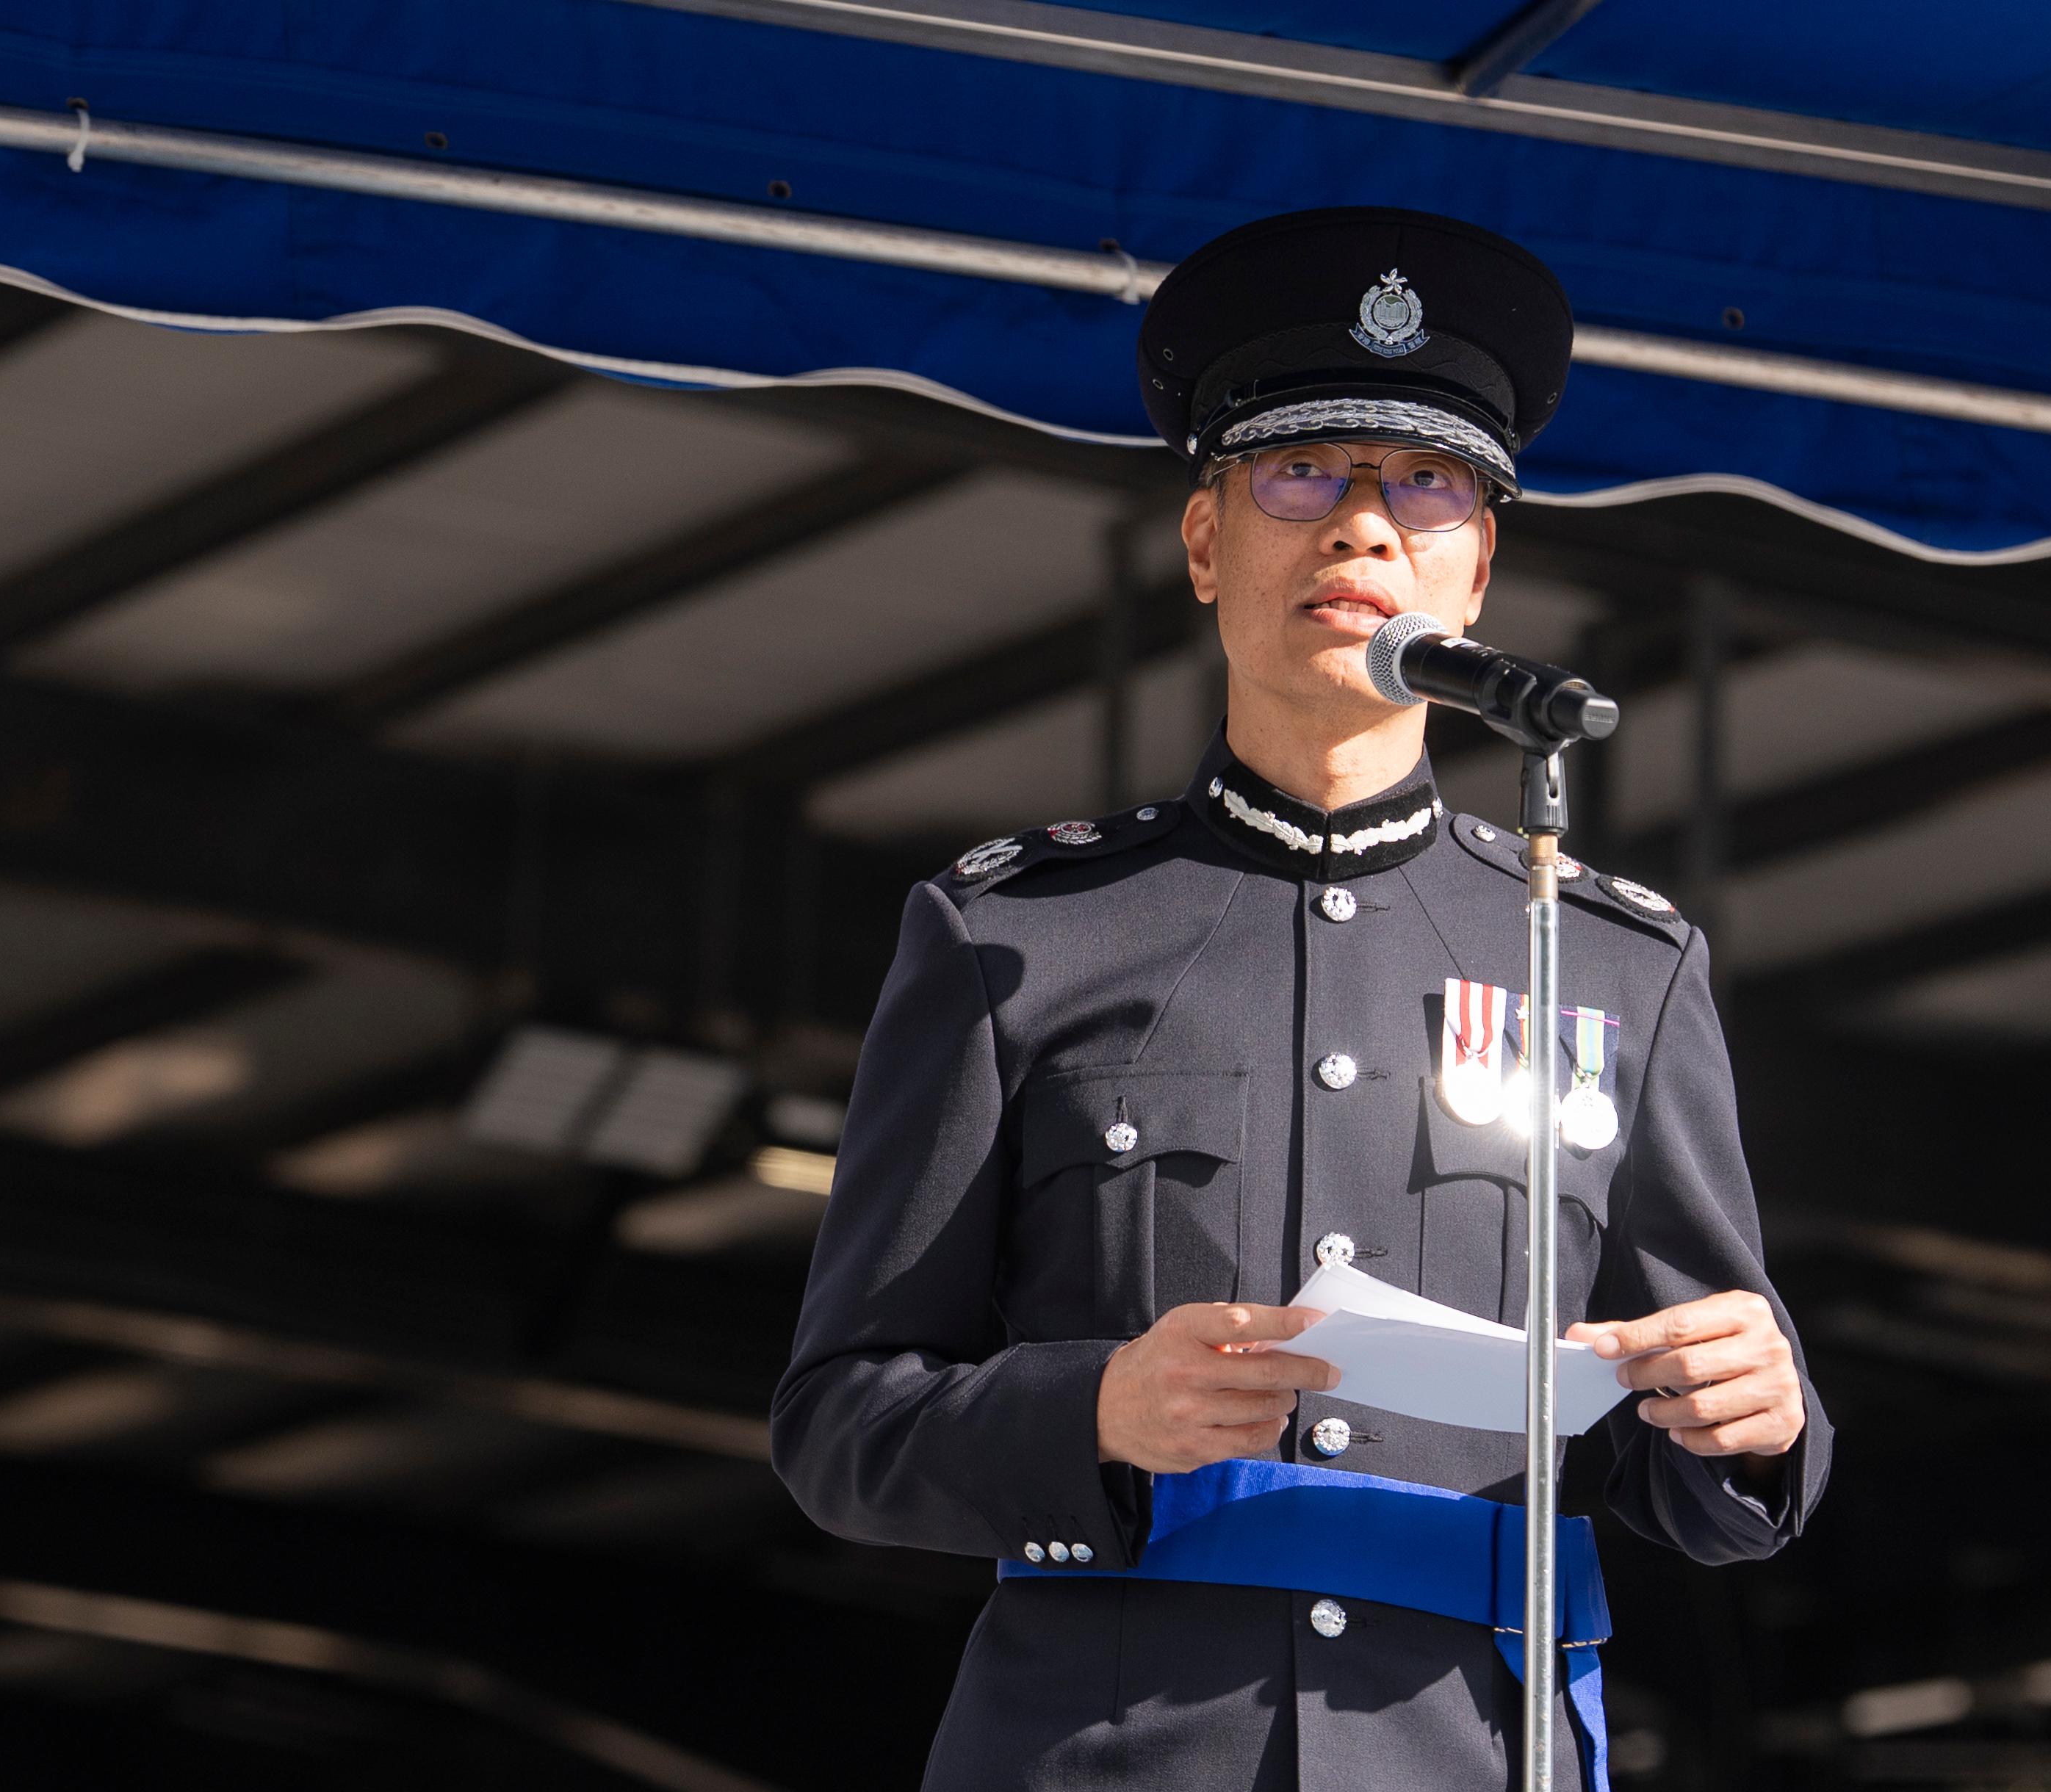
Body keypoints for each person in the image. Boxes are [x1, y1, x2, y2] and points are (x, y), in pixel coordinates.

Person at [771, 207, 1828, 1792]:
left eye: (1427, 484)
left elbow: (1700, 1469)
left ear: (1479, 566)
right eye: (1303, 473)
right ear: (1206, 544)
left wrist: (1762, 1414)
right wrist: (1099, 1404)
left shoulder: (1618, 963)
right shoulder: (1019, 937)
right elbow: (842, 1426)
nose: (1364, 527)